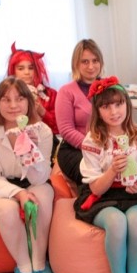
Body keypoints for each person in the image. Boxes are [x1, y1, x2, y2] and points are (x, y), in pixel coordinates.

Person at [74, 76, 137, 273]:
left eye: (118, 104)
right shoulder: (93, 140)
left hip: (132, 194)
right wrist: (112, 170)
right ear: (97, 110)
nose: (114, 112)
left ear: (126, 104)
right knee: (117, 222)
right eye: (106, 106)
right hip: (103, 195)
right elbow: (95, 188)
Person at [0, 77, 55, 273]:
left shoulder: (43, 132)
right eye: (6, 99)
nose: (13, 105)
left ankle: (40, 263)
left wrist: (31, 153)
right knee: (7, 210)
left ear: (28, 101)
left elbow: (40, 178)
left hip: (34, 179)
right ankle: (24, 267)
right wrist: (18, 194)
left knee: (42, 200)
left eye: (19, 99)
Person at [56, 39, 104, 184]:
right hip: (75, 149)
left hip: (107, 148)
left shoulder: (110, 88)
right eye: (85, 62)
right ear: (76, 64)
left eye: (95, 61)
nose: (91, 66)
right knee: (93, 176)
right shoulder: (66, 91)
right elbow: (66, 130)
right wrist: (93, 148)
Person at [6, 42, 59, 155]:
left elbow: (58, 127)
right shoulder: (6, 95)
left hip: (46, 143)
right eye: (21, 68)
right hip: (15, 144)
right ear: (13, 70)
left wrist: (42, 111)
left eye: (31, 68)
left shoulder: (50, 94)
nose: (27, 72)